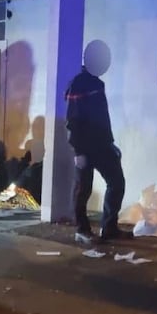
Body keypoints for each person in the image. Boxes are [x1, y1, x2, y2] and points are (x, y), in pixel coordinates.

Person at [66, 42, 124, 244]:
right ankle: (82, 230)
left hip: (102, 145)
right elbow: (73, 120)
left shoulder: (97, 84)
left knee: (117, 183)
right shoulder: (79, 83)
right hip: (85, 147)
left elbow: (101, 119)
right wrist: (78, 151)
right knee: (83, 189)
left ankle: (109, 228)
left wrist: (111, 144)